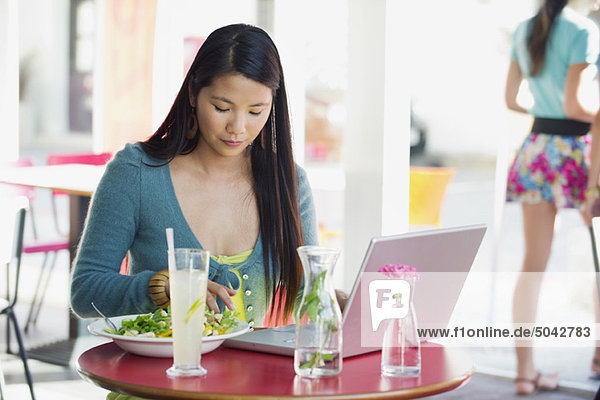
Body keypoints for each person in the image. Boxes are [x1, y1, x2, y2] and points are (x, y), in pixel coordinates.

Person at [70, 23, 319, 330]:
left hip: (255, 377)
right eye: (221, 107)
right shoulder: (135, 173)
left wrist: (335, 302)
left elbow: (305, 293)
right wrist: (163, 288)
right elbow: (85, 292)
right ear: (193, 94)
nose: (238, 128)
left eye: (256, 111)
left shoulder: (290, 182)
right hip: (158, 375)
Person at [504, 0, 600, 395]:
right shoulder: (583, 30)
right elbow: (574, 104)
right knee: (598, 257)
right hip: (577, 149)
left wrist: (541, 110)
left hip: (536, 147)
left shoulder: (524, 29)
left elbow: (512, 99)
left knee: (532, 264)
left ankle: (525, 373)